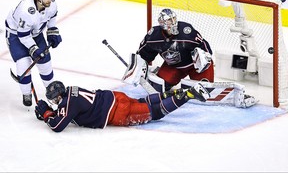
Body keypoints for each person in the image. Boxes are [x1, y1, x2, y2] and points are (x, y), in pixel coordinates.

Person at [35, 80, 258, 132]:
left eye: (54, 99)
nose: (56, 103)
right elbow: (68, 109)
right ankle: (176, 92)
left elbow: (58, 125)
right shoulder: (72, 91)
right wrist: (52, 109)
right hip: (116, 98)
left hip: (117, 113)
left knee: (154, 113)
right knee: (145, 102)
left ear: (58, 96)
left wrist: (45, 112)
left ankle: (188, 94)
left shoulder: (67, 104)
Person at [5, 0, 62, 106]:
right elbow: (23, 36)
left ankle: (51, 91)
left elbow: (51, 18)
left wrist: (52, 33)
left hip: (35, 33)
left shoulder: (51, 5)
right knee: (23, 65)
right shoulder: (25, 10)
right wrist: (34, 49)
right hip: (16, 34)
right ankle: (26, 93)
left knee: (45, 62)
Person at [131, 8, 214, 93]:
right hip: (173, 66)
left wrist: (206, 57)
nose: (173, 22)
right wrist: (138, 66)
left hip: (194, 66)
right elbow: (144, 53)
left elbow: (203, 45)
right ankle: (157, 72)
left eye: (174, 18)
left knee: (204, 89)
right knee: (159, 87)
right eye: (169, 20)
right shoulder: (154, 36)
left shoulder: (186, 32)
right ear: (162, 23)